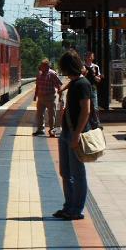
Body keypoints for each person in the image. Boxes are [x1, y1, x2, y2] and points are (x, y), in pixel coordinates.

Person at [54, 50, 91, 221]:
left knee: (77, 173)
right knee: (65, 171)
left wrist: (76, 134)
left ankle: (76, 209)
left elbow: (86, 110)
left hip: (76, 133)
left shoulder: (83, 85)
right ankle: (68, 205)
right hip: (66, 132)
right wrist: (63, 87)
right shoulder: (76, 82)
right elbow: (76, 79)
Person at [33, 58, 62, 137]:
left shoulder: (52, 74)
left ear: (47, 66)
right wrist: (35, 95)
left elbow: (59, 85)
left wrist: (60, 96)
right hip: (41, 97)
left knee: (51, 115)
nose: (40, 67)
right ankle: (40, 130)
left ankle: (52, 130)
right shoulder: (39, 74)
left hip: (50, 97)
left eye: (42, 66)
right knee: (39, 114)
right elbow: (37, 85)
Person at [83, 51, 102, 126]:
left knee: (95, 106)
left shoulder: (96, 67)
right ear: (85, 57)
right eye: (88, 56)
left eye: (91, 56)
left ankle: (97, 123)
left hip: (93, 88)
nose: (90, 58)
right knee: (85, 106)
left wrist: (96, 77)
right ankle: (86, 123)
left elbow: (99, 78)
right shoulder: (83, 67)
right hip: (84, 88)